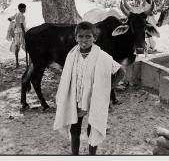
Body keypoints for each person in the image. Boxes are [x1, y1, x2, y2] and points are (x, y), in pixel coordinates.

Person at [53, 21, 125, 155]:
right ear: (75, 38)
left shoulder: (102, 56)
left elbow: (121, 72)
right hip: (77, 97)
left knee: (92, 128)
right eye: (80, 36)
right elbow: (66, 77)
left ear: (94, 38)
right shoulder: (72, 55)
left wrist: (107, 89)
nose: (84, 40)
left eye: (88, 36)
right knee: (75, 129)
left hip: (94, 98)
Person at [8, 3, 27, 68]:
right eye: (24, 8)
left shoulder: (16, 14)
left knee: (17, 47)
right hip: (21, 32)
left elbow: (10, 18)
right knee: (25, 45)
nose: (25, 10)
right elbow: (22, 25)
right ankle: (28, 62)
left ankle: (17, 63)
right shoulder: (21, 15)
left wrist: (14, 23)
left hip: (16, 32)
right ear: (20, 9)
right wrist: (25, 33)